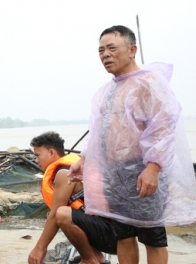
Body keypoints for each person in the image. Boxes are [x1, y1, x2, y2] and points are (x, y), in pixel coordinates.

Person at [68, 25, 196, 264]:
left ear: (132, 50)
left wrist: (153, 167)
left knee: (152, 236)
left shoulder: (148, 82)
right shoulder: (106, 91)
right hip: (114, 174)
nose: (105, 54)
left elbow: (162, 127)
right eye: (101, 50)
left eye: (112, 48)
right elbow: (98, 131)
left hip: (141, 170)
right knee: (123, 236)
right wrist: (83, 160)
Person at [28, 131, 116, 264]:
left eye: (38, 155)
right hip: (114, 233)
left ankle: (89, 260)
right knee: (75, 212)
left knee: (62, 214)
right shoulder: (72, 166)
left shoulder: (64, 173)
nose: (36, 160)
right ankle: (97, 257)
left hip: (113, 236)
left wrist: (39, 248)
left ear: (52, 152)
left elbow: (55, 215)